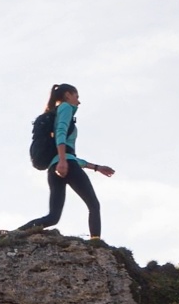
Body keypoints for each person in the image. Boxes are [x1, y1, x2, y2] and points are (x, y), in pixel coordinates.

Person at [19, 83, 114, 239]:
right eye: (77, 97)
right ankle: (96, 242)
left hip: (54, 167)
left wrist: (96, 167)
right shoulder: (66, 108)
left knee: (53, 217)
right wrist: (63, 161)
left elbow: (70, 155)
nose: (79, 101)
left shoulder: (56, 112)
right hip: (65, 164)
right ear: (68, 95)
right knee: (94, 205)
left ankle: (15, 234)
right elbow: (61, 133)